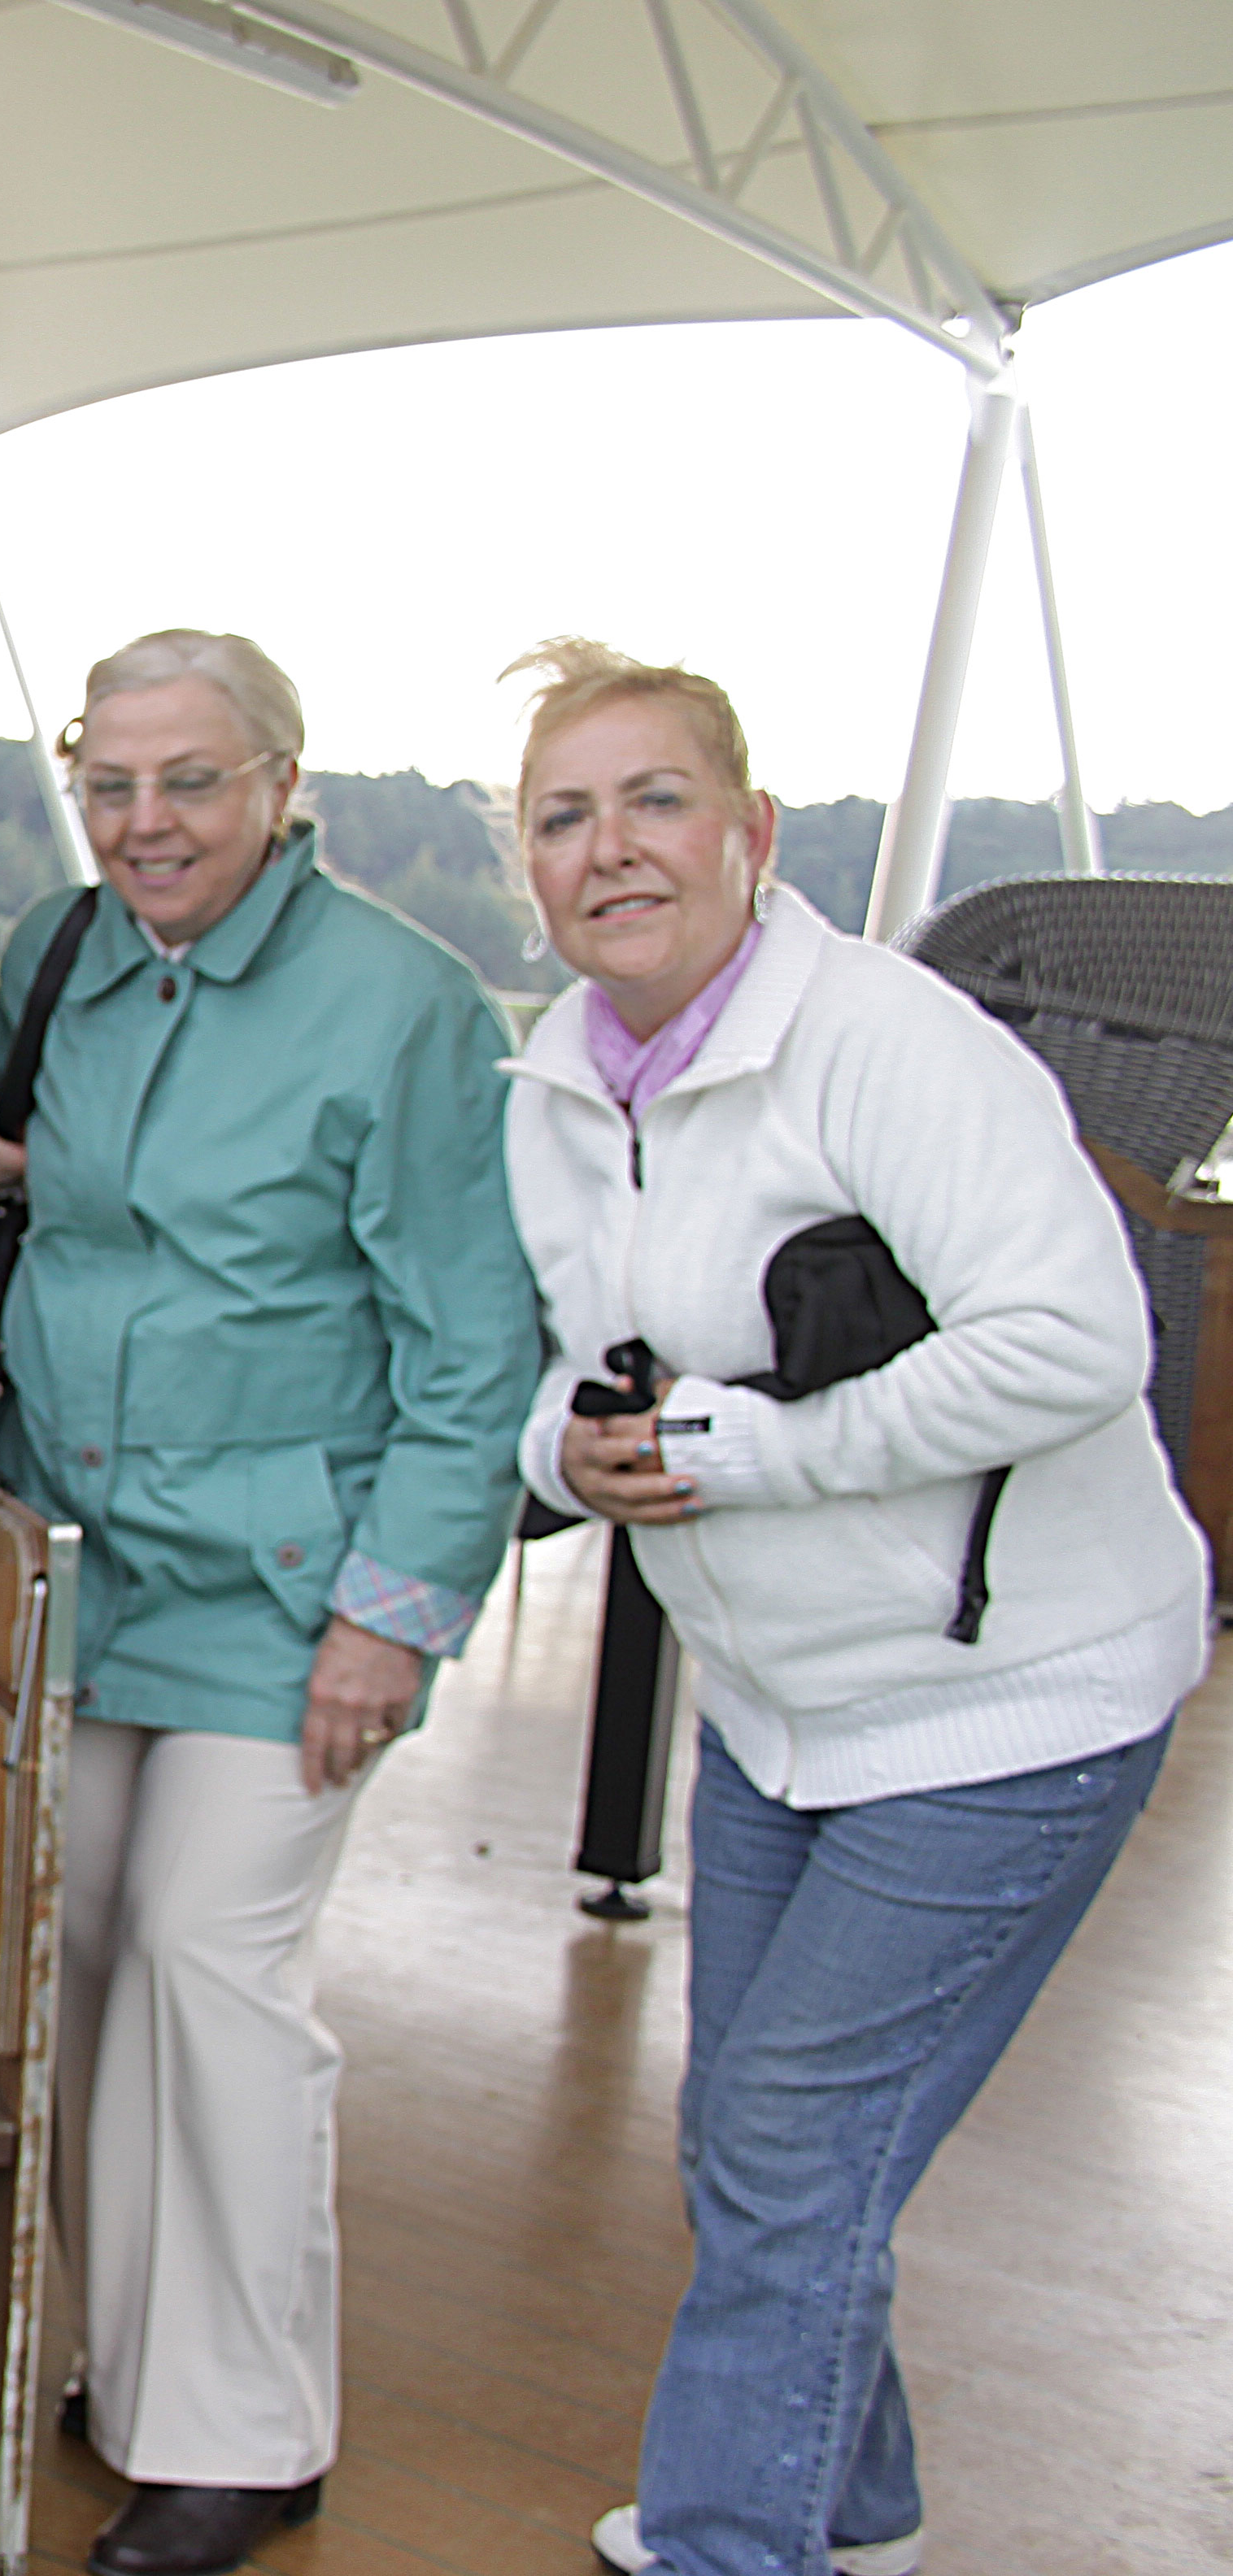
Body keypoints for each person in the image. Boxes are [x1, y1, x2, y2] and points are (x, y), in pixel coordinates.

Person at [494, 641, 1204, 2576]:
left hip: (1013, 1704)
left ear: (753, 832)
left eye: (653, 801)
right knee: (756, 2141)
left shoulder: (890, 1044)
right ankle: (856, 2515)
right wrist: (579, 1454)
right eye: (563, 818)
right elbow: (574, 1368)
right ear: (529, 872)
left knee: (794, 2148)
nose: (609, 849)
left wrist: (758, 1453)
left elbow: (1077, 1340)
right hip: (781, 1709)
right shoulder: (558, 1090)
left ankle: (736, 2543)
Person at [0, 630, 538, 2576]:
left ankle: (250, 2435)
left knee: (213, 1959)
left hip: (287, 1588)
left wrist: (393, 1616)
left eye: (189, 781)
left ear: (284, 784)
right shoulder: (67, 949)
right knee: (80, 1948)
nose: (144, 822)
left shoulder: (407, 1005)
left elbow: (474, 1346)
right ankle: (137, 2374)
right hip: (79, 1558)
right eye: (108, 782)